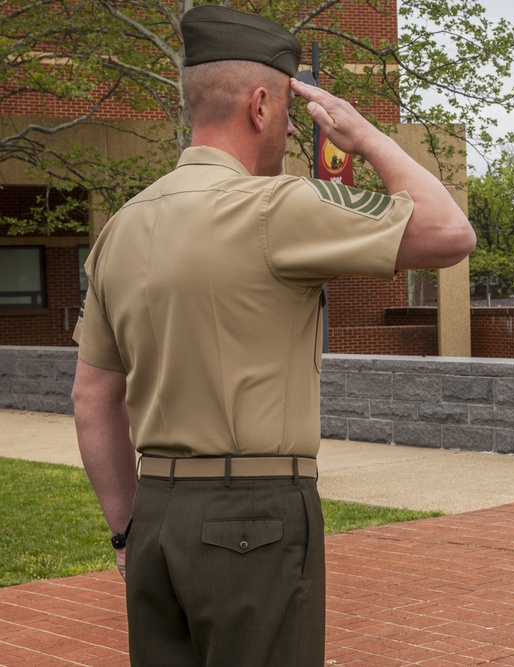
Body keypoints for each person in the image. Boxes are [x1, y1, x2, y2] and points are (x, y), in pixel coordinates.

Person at [70, 5, 475, 666]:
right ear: (260, 105)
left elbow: (92, 399)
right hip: (254, 515)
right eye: (288, 110)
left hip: (156, 518)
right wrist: (367, 135)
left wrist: (127, 531)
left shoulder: (121, 228)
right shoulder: (276, 206)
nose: (291, 128)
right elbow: (449, 232)